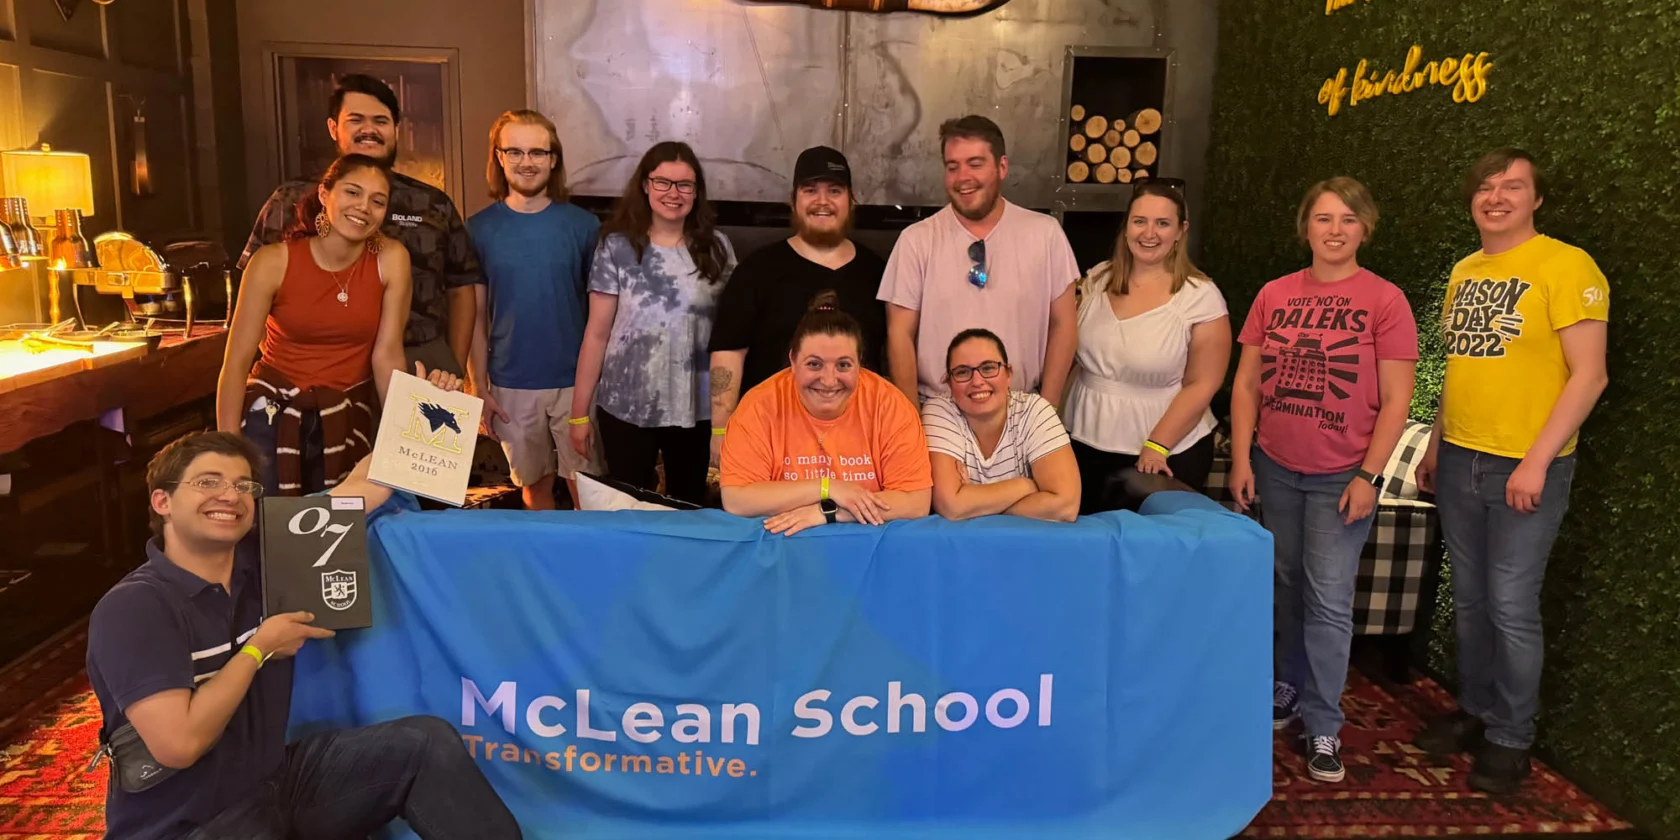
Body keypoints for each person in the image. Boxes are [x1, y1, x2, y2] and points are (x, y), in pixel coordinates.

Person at [86, 406, 522, 838]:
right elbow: (178, 745)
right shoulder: (134, 608)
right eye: (207, 482)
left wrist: (429, 401)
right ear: (162, 501)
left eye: (243, 485)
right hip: (189, 824)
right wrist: (258, 649)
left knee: (424, 744)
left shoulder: (270, 556)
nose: (229, 495)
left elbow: (367, 483)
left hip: (274, 786)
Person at [1411, 149, 1609, 795]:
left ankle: (1511, 739)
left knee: (1510, 605)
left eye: (1513, 186)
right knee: (1468, 601)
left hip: (1527, 468)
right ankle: (1476, 711)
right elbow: (1461, 368)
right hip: (1462, 455)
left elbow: (1590, 374)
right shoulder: (1466, 269)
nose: (1496, 197)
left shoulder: (1566, 265)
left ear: (1536, 199)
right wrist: (1435, 444)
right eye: (1486, 187)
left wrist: (1535, 460)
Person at [1227, 177, 1419, 784]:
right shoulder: (1274, 294)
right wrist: (1240, 459)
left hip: (1343, 474)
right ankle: (1286, 683)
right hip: (1276, 467)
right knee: (1284, 582)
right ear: (1305, 226)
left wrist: (1370, 476)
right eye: (1323, 218)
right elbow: (1245, 384)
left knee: (1329, 598)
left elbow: (1396, 400)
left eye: (1348, 219)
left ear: (1365, 228)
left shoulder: (1385, 301)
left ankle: (1326, 725)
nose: (1335, 230)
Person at [240, 73, 480, 377]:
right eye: (356, 120)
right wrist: (283, 355)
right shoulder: (289, 200)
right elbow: (252, 288)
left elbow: (461, 288)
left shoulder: (433, 203)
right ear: (333, 128)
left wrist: (452, 366)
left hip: (418, 361)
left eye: (380, 120)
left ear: (395, 130)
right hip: (322, 363)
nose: (369, 129)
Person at [217, 154, 410, 496]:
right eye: (352, 193)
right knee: (265, 524)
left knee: (338, 533)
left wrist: (404, 439)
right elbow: (236, 364)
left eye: (377, 201)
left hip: (346, 412)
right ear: (325, 194)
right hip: (273, 410)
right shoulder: (272, 261)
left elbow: (387, 355)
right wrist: (229, 452)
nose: (364, 207)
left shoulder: (392, 259)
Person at [570, 142, 736, 506]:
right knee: (629, 508)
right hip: (626, 406)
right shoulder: (616, 247)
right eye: (663, 182)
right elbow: (596, 335)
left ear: (697, 192)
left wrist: (728, 416)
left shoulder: (718, 248)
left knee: (689, 507)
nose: (673, 193)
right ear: (645, 185)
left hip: (697, 407)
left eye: (684, 185)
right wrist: (578, 414)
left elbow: (731, 337)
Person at [877, 115, 1080, 407]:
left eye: (975, 164)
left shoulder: (1045, 234)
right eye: (952, 167)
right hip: (941, 410)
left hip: (1021, 407)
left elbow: (1064, 325)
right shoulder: (916, 240)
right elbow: (899, 334)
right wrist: (912, 422)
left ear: (1002, 167)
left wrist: (1046, 409)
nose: (963, 178)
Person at [708, 146, 887, 468]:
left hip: (859, 444)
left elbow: (892, 353)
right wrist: (721, 430)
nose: (822, 201)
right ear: (793, 200)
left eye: (834, 191)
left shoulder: (879, 272)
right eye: (810, 191)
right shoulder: (756, 270)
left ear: (851, 200)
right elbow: (728, 352)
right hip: (770, 441)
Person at [1062, 182, 1231, 509]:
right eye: (1140, 221)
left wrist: (1158, 445)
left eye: (1162, 223)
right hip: (1082, 440)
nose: (1149, 233)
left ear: (1181, 231)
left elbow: (1204, 382)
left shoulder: (1201, 298)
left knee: (1150, 551)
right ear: (1126, 226)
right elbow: (1071, 354)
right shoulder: (1097, 280)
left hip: (1163, 451)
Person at [467, 109, 602, 510]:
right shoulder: (478, 229)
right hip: (511, 382)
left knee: (588, 490)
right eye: (516, 151)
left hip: (575, 383)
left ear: (553, 159)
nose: (527, 162)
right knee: (533, 485)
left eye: (538, 152)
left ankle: (588, 568)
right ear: (499, 157)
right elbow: (474, 315)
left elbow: (602, 317)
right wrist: (478, 387)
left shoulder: (584, 226)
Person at [719, 291, 932, 534]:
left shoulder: (889, 404)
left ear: (859, 363)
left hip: (866, 542)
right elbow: (736, 499)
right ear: (792, 360)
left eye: (843, 365)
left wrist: (828, 512)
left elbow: (916, 502)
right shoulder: (759, 405)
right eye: (814, 364)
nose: (829, 381)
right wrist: (828, 488)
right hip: (785, 544)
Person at [921, 329, 1079, 522]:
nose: (977, 381)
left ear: (1008, 374)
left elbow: (1065, 506)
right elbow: (950, 506)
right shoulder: (939, 411)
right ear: (949, 383)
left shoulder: (1035, 410)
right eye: (963, 372)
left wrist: (973, 502)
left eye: (988, 368)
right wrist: (1026, 486)